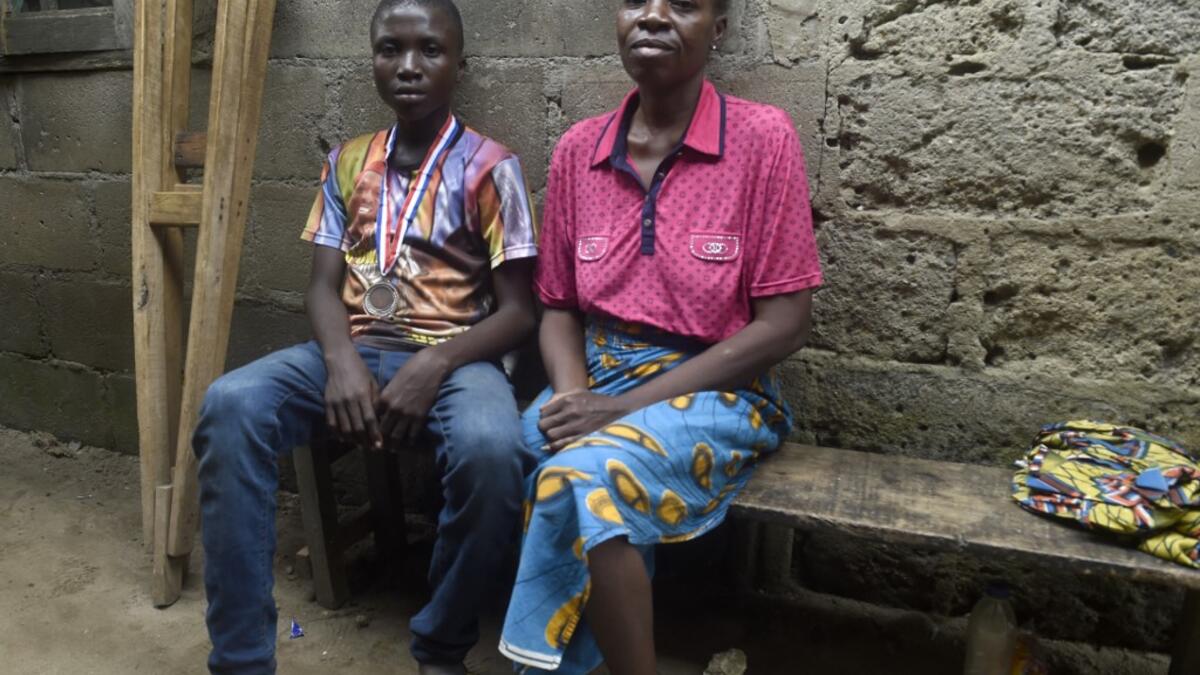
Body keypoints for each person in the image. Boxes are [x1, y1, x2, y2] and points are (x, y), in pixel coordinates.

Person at [192, 1, 539, 673]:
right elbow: (322, 286)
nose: (408, 65)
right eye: (390, 48)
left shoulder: (492, 167)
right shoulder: (349, 163)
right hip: (351, 351)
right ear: (373, 59)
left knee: (494, 448)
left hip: (456, 359)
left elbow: (520, 311)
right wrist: (341, 359)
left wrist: (434, 362)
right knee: (229, 405)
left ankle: (441, 647)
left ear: (458, 64)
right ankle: (239, 660)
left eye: (429, 50)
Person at [498, 0, 822, 673]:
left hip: (721, 386)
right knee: (522, 444)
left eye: (682, 4)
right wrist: (576, 396)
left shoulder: (761, 140)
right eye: (635, 2)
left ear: (719, 29)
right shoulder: (580, 150)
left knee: (588, 476)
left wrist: (617, 415)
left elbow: (786, 324)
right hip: (600, 373)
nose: (652, 17)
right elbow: (557, 304)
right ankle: (582, 658)